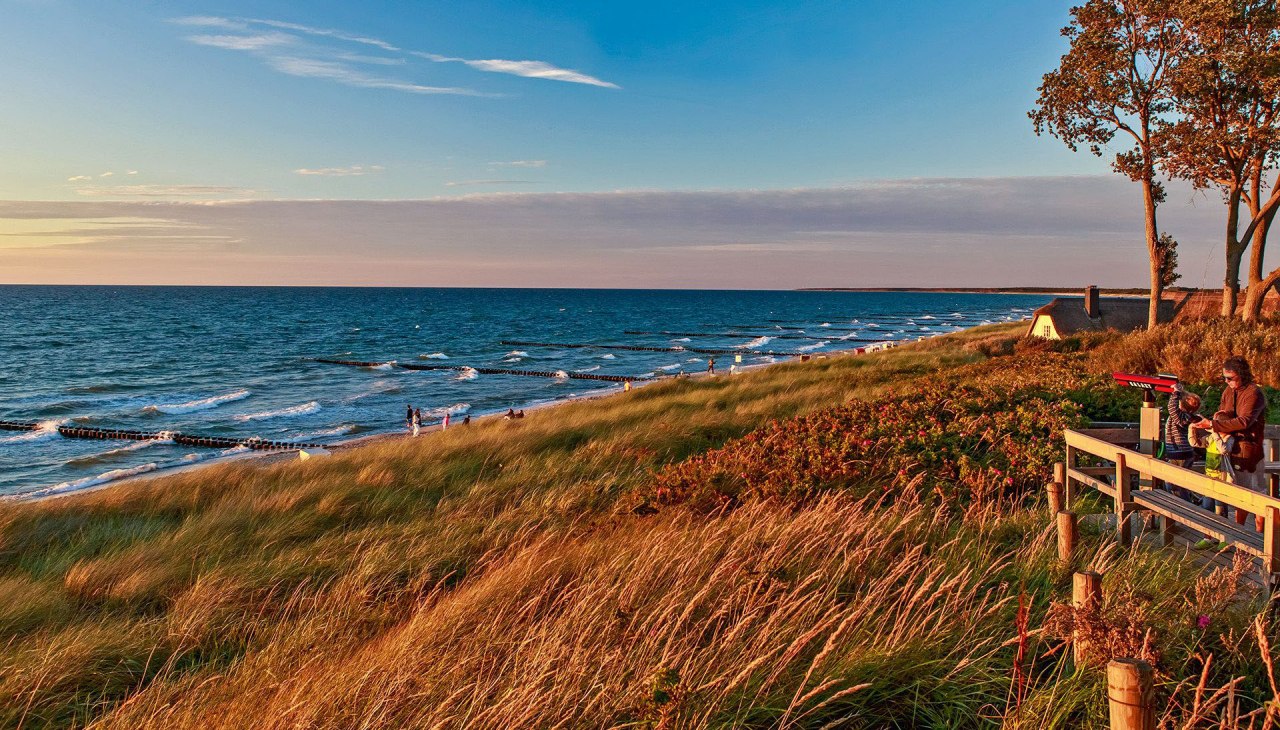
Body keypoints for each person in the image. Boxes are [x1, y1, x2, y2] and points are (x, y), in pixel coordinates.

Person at [1195, 356, 1267, 532]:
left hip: (1248, 449)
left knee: (1253, 494)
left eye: (1230, 378)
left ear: (1242, 375)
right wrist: (1215, 421)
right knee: (1237, 494)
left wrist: (1212, 424)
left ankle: (1254, 537)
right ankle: (1235, 534)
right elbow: (1224, 414)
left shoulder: (1253, 393)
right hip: (1228, 448)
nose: (1227, 381)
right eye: (1224, 378)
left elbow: (1244, 421)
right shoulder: (1228, 391)